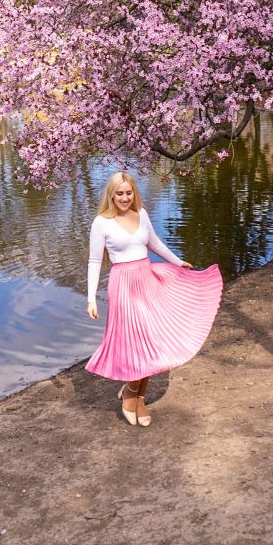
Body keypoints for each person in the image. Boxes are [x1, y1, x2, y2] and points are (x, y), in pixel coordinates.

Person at [86, 171, 223, 427]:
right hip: (123, 285)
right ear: (111, 195)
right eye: (120, 194)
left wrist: (178, 262)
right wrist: (91, 299)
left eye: (128, 193)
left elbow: (155, 244)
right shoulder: (101, 223)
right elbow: (94, 261)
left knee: (151, 338)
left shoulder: (142, 214)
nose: (125, 198)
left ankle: (135, 395)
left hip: (147, 279)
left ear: (133, 193)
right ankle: (131, 396)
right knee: (136, 342)